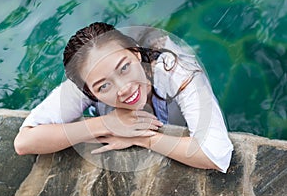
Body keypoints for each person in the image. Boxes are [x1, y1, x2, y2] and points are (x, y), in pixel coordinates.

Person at [14, 22, 233, 173]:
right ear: (89, 92)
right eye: (104, 86)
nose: (124, 89)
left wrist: (141, 139)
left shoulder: (176, 71)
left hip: (159, 59)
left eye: (125, 67)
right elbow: (24, 142)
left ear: (136, 53)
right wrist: (105, 124)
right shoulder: (87, 78)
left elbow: (215, 155)